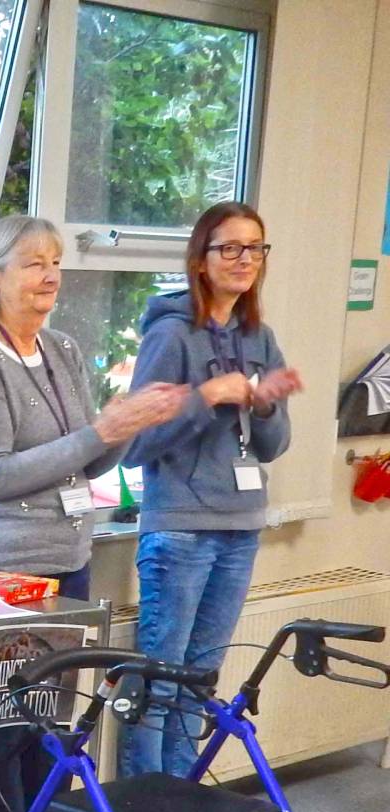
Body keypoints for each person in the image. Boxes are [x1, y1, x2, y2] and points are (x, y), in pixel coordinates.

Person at [0, 215, 189, 812]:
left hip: (65, 565)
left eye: (55, 262)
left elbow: (90, 464)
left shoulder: (66, 352)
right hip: (4, 575)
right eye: (32, 263)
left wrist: (127, 425)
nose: (50, 275)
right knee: (5, 729)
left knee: (49, 728)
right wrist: (98, 433)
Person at [120, 202, 303, 778]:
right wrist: (207, 397)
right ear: (201, 260)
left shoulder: (260, 337)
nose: (244, 260)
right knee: (159, 681)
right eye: (230, 248)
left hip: (240, 527)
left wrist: (265, 401)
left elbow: (271, 446)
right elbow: (133, 443)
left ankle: (181, 808)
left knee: (200, 681)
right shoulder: (172, 335)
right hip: (179, 529)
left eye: (256, 248)